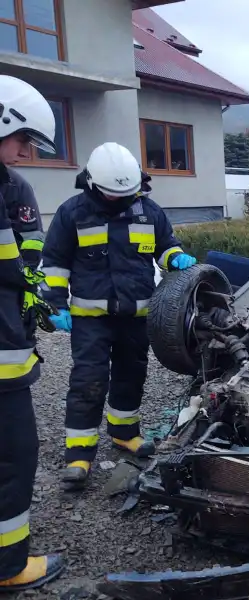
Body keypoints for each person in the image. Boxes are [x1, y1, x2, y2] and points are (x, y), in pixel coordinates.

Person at [41, 142, 198, 490]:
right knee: (88, 381)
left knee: (131, 375)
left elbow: (166, 246)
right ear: (94, 185)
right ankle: (79, 455)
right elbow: (53, 264)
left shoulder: (148, 210)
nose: (123, 199)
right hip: (90, 320)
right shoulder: (72, 214)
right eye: (115, 194)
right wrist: (56, 305)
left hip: (135, 317)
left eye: (128, 193)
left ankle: (125, 433)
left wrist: (176, 259)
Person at [0, 74, 65, 591]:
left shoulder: (10, 187)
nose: (27, 153)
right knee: (13, 457)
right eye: (24, 139)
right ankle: (8, 567)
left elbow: (27, 262)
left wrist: (37, 303)